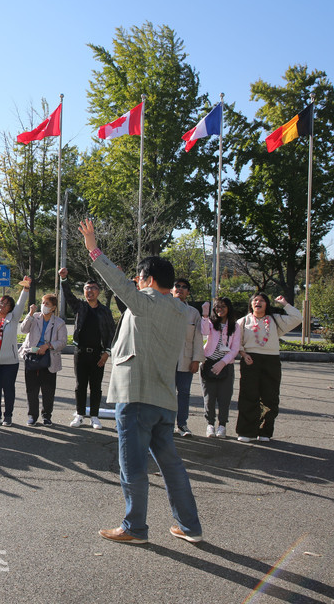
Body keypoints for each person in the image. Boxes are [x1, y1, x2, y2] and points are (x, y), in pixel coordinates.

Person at [77, 219, 202, 545]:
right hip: (164, 399)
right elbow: (128, 293)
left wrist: (93, 248)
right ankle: (189, 526)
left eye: (140, 277)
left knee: (131, 465)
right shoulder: (179, 310)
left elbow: (122, 287)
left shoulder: (146, 302)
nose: (136, 281)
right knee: (171, 465)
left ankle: (135, 527)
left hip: (136, 397)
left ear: (148, 279)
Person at [235, 293, 302, 443]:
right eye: (255, 300)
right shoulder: (243, 321)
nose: (258, 302)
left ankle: (265, 431)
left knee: (270, 397)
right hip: (250, 359)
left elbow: (297, 318)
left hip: (271, 360)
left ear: (267, 304)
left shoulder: (275, 320)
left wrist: (285, 303)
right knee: (248, 396)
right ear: (251, 304)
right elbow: (236, 341)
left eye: (262, 300)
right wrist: (243, 354)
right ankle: (246, 431)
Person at [59, 268, 116, 429]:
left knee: (96, 386)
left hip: (98, 354)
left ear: (98, 292)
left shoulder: (105, 311)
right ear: (84, 292)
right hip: (80, 353)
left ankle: (95, 416)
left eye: (93, 288)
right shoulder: (80, 307)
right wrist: (64, 279)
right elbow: (68, 296)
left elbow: (112, 332)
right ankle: (79, 414)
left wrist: (107, 352)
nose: (89, 291)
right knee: (80, 385)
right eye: (86, 289)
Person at [0, 277, 30, 426]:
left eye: (5, 304)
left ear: (10, 308)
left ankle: (8, 416)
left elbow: (20, 303)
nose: (2, 305)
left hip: (10, 362)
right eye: (0, 303)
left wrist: (26, 288)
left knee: (8, 389)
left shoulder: (13, 318)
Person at [19, 293, 67, 426]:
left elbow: (62, 342)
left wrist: (48, 346)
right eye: (43, 303)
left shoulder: (59, 323)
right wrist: (30, 314)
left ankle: (47, 416)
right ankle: (32, 416)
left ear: (53, 308)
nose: (44, 306)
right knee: (32, 389)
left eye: (47, 304)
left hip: (49, 358)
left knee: (48, 390)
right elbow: (23, 330)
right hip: (32, 356)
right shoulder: (34, 317)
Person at [199, 297, 240, 438]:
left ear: (228, 308)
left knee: (225, 397)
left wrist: (223, 362)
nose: (220, 310)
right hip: (208, 362)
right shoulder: (210, 322)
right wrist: (204, 315)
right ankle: (210, 424)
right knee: (209, 397)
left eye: (223, 306)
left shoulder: (235, 326)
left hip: (226, 365)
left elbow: (235, 349)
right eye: (217, 307)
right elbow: (204, 332)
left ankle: (222, 425)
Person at [172, 278, 205, 437]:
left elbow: (198, 338)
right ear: (171, 289)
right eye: (177, 286)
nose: (180, 289)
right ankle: (167, 424)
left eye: (184, 287)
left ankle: (182, 424)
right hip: (166, 359)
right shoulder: (164, 307)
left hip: (185, 360)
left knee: (184, 392)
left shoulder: (193, 313)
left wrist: (196, 360)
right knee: (166, 392)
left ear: (188, 292)